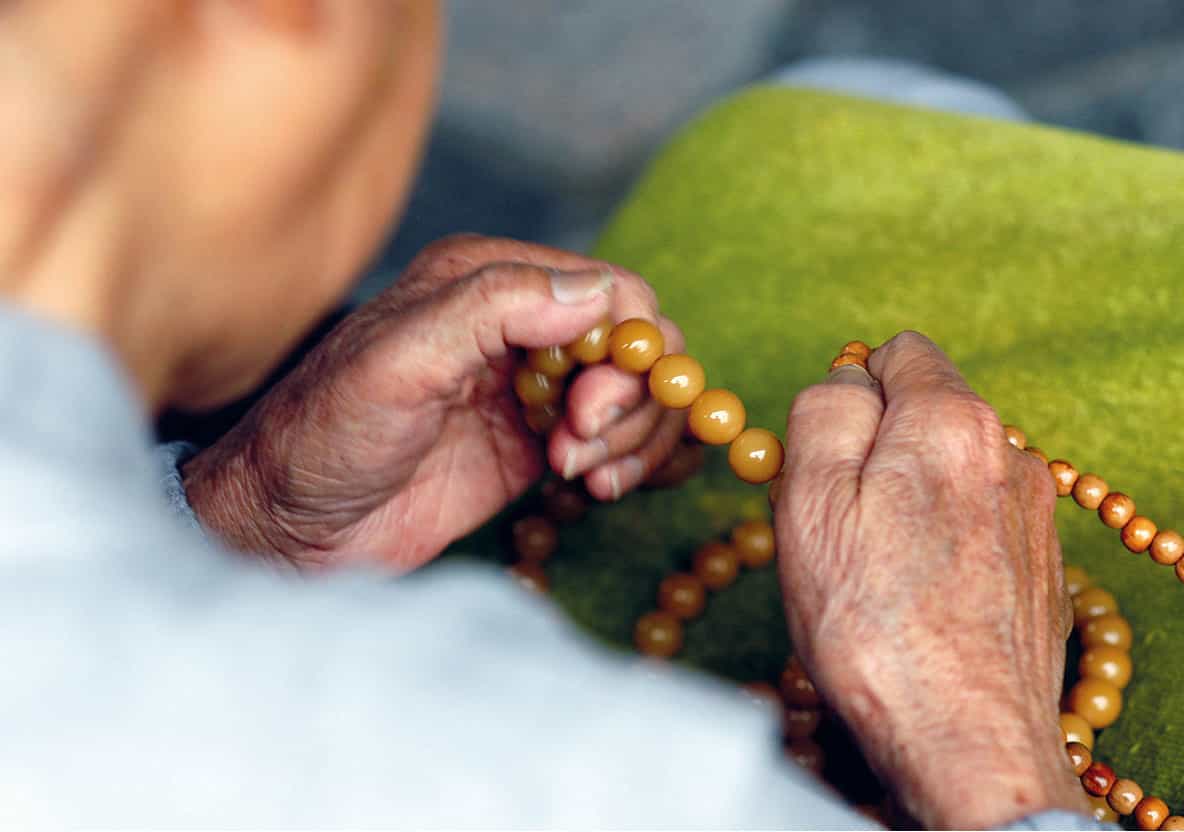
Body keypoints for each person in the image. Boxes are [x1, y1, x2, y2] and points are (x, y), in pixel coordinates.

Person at [0, 2, 1108, 828]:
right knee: (893, 104)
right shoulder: (538, 767)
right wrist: (988, 749)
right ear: (290, 19)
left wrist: (244, 520)